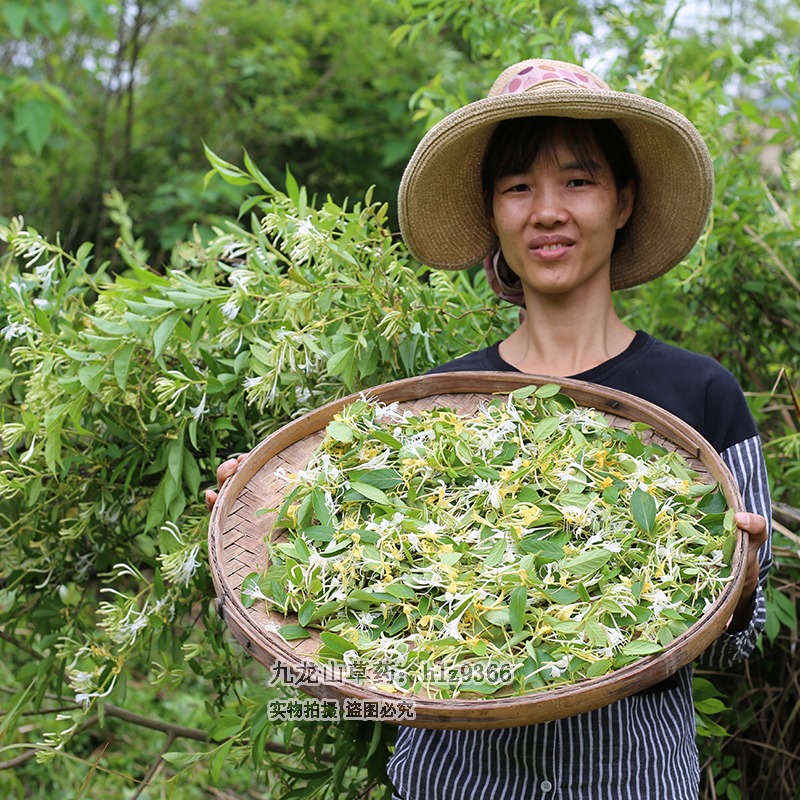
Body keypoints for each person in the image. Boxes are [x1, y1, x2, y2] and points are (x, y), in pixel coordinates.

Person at [207, 58, 771, 800]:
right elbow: (364, 609)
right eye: (517, 187)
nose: (547, 211)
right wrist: (273, 511)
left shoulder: (700, 395)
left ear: (624, 200)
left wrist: (743, 568)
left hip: (630, 781)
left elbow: (744, 635)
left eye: (578, 181)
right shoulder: (442, 409)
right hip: (455, 782)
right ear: (492, 214)